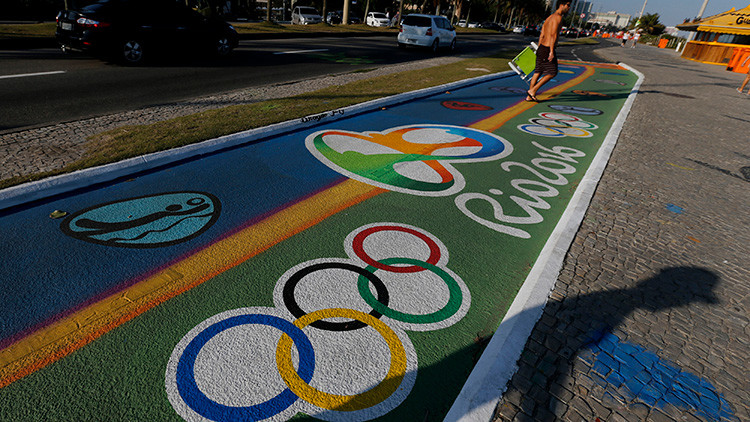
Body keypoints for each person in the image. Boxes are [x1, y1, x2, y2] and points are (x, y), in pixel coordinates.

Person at [525, 0, 571, 102]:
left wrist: (539, 47)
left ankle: (529, 96)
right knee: (552, 72)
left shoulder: (549, 18)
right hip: (547, 49)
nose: (569, 8)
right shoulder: (558, 18)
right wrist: (551, 51)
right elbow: (553, 35)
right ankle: (533, 91)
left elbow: (542, 34)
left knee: (538, 72)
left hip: (541, 47)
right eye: (567, 5)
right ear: (561, 5)